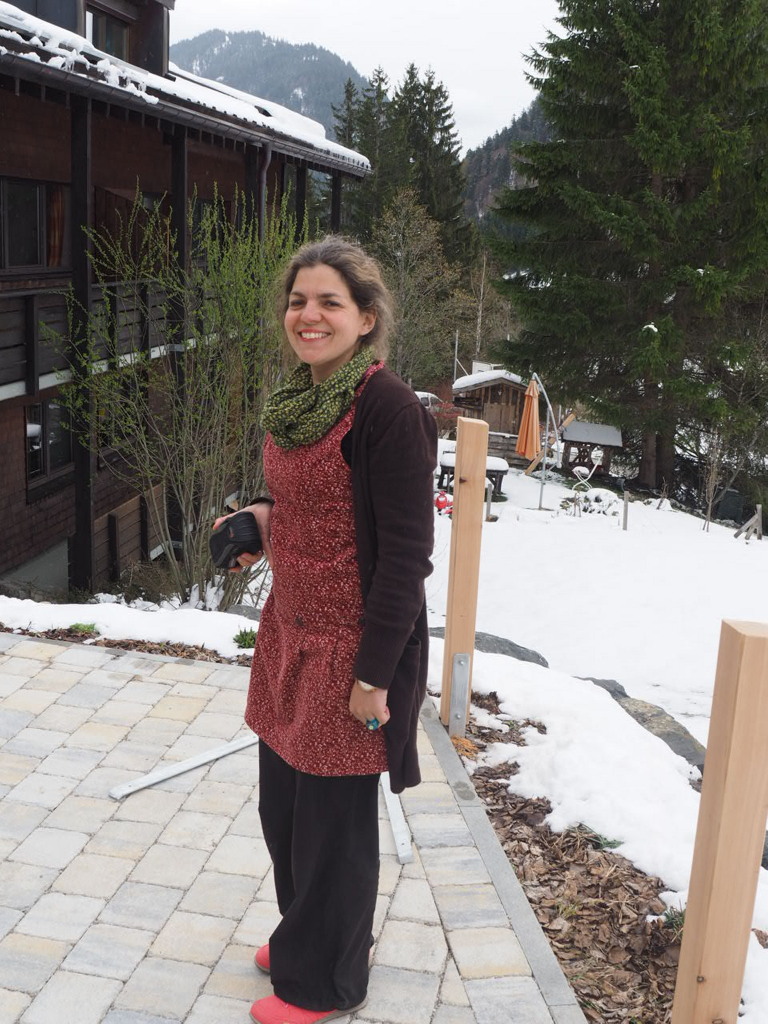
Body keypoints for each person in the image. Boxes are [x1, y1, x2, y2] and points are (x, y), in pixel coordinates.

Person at [228, 236, 437, 1024]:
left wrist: (375, 675)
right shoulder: (298, 399)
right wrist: (257, 519)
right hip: (288, 633)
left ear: (366, 318)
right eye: (298, 301)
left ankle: (326, 981)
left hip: (352, 647)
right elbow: (306, 502)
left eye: (329, 302)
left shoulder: (389, 411)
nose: (308, 315)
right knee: (282, 810)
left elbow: (407, 556)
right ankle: (308, 936)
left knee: (334, 829)